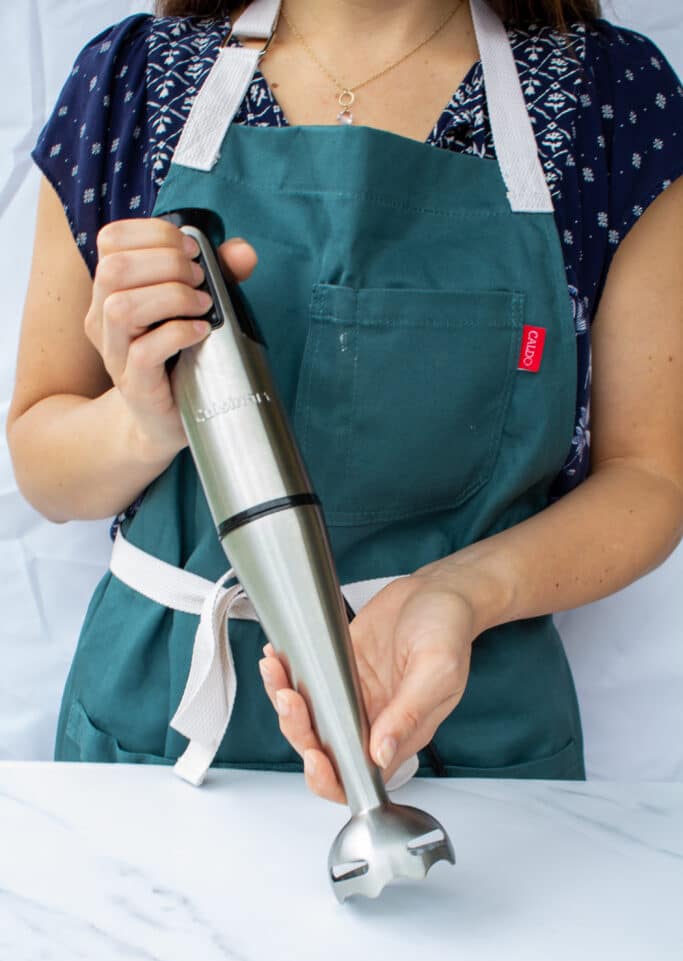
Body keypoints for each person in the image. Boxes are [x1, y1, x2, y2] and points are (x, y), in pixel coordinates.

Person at [7, 0, 683, 801]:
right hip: (156, 728)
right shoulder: (135, 77)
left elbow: (649, 478)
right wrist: (145, 417)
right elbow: (44, 469)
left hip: (459, 717)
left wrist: (458, 594)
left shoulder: (606, 95)